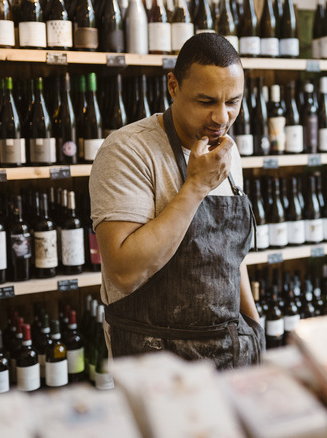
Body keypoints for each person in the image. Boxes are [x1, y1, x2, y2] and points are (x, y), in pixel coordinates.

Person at [89, 33, 264, 370]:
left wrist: (254, 327)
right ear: (173, 86)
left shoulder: (227, 150)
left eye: (233, 102)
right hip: (155, 359)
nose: (222, 118)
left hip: (231, 351)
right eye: (206, 101)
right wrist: (195, 186)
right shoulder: (127, 151)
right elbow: (124, 271)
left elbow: (230, 254)